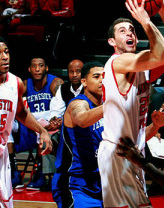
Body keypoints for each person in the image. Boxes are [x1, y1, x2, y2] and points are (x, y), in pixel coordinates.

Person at [98, 0, 164, 207]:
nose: (130, 33)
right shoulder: (118, 63)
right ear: (112, 41)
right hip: (117, 154)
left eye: (132, 30)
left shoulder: (142, 68)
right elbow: (163, 55)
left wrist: (163, 9)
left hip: (135, 153)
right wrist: (146, 21)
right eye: (122, 31)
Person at [0, 37, 52, 207]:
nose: (5, 57)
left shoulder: (16, 83)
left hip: (2, 156)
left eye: (6, 52)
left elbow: (21, 112)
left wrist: (42, 131)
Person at [52, 61, 105, 207]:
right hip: (74, 182)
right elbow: (81, 119)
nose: (102, 80)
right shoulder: (78, 103)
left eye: (105, 76)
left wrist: (157, 125)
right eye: (96, 76)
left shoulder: (105, 108)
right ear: (84, 81)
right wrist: (111, 105)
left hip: (101, 180)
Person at [23, 56, 64, 190]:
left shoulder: (55, 82)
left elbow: (62, 104)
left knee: (46, 135)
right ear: (29, 69)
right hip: (33, 122)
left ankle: (43, 173)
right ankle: (14, 171)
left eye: (40, 66)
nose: (37, 69)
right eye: (34, 66)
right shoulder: (24, 84)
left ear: (46, 68)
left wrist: (58, 120)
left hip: (51, 121)